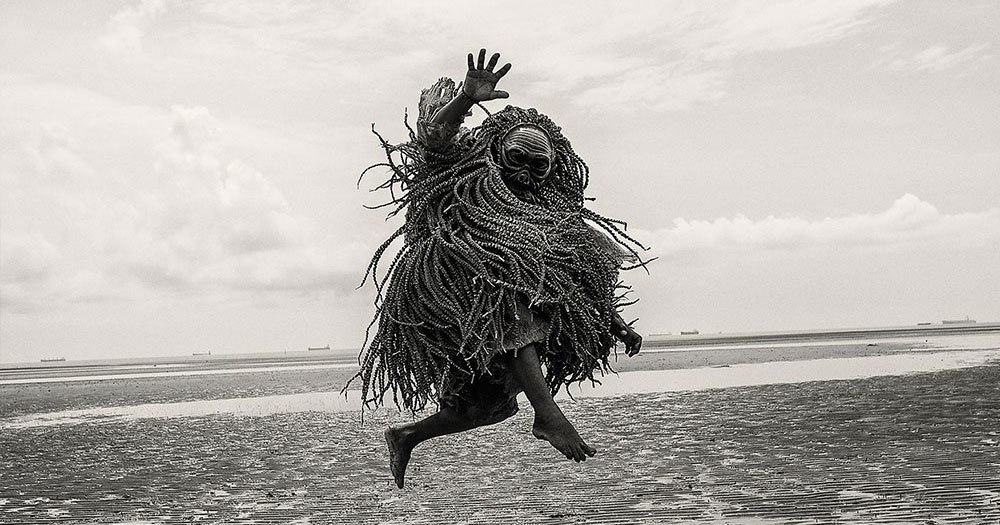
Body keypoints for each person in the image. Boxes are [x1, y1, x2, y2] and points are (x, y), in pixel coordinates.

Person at [349, 49, 647, 489]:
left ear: (552, 168)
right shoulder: (468, 172)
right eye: (517, 158)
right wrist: (465, 99)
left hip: (496, 311)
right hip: (455, 289)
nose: (526, 172)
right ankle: (548, 416)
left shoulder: (549, 213)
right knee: (511, 299)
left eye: (538, 165)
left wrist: (615, 325)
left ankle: (406, 436)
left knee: (487, 405)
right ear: (496, 151)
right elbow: (434, 138)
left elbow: (577, 281)